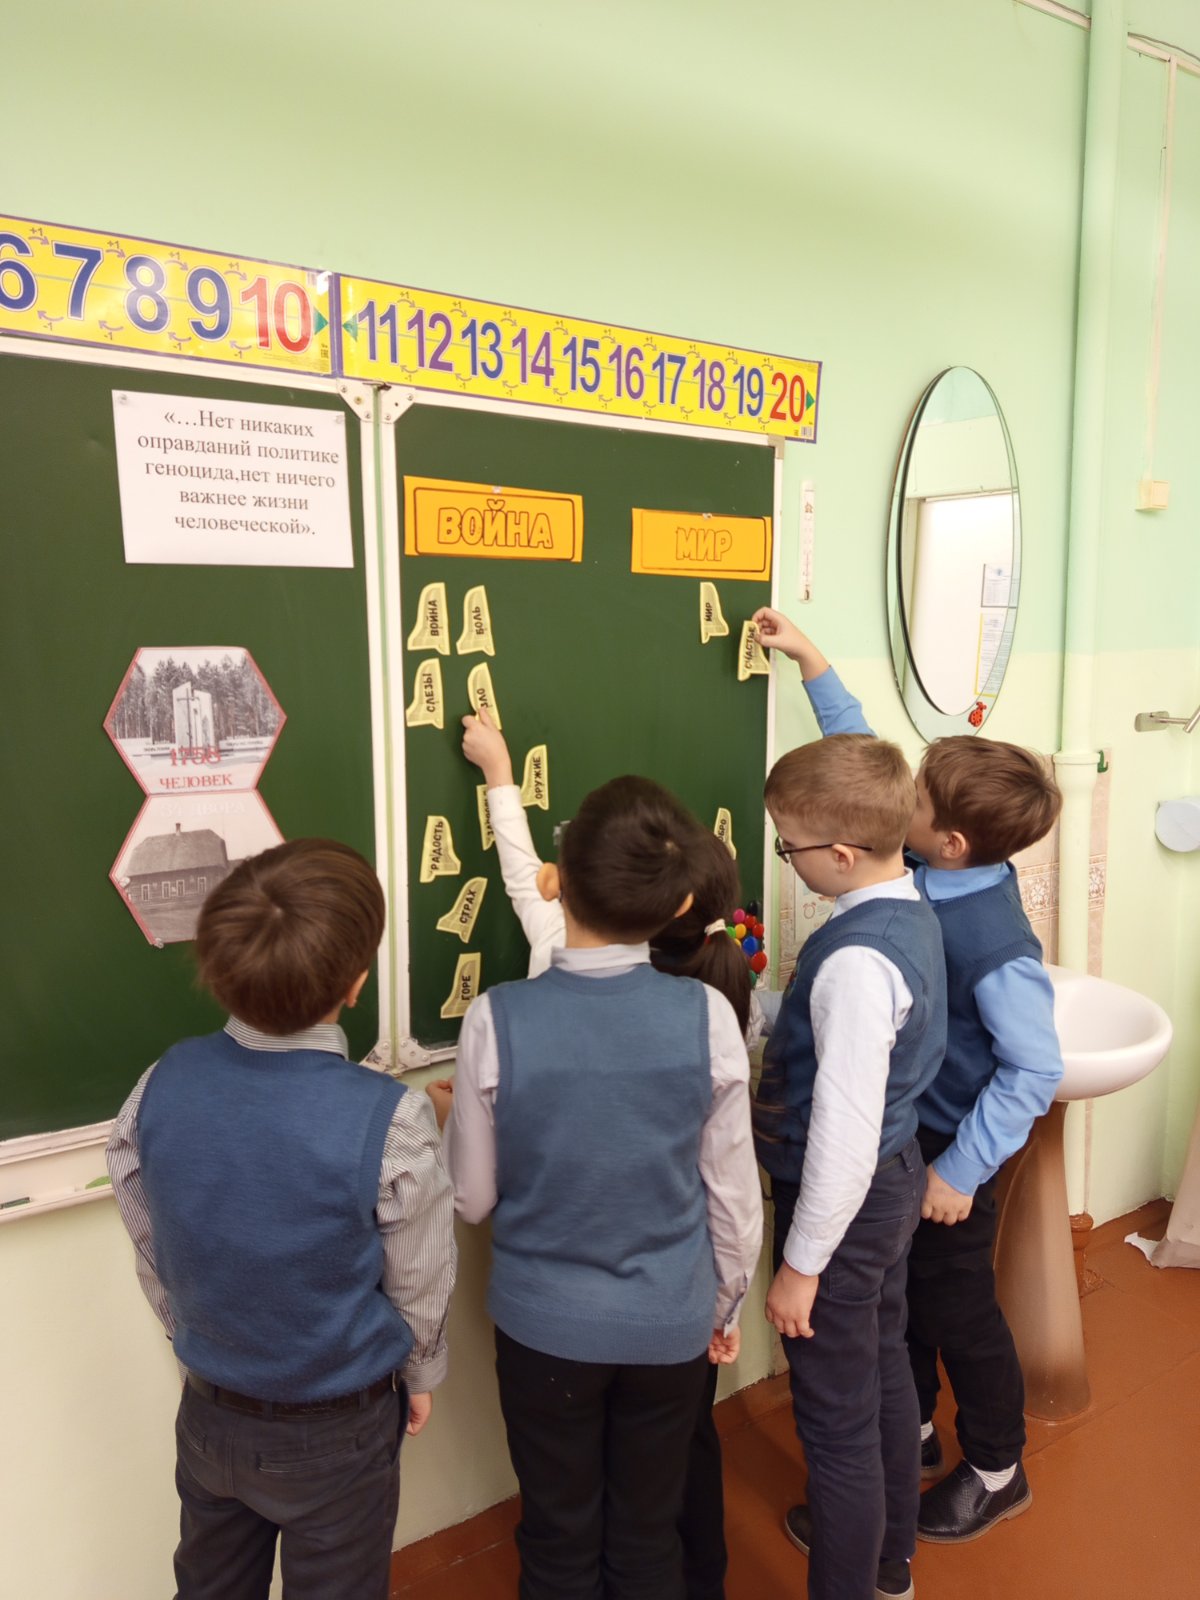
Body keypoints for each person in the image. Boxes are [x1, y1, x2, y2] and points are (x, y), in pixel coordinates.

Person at [753, 608, 1064, 1546]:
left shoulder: (994, 939)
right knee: (901, 1309)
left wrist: (960, 1172)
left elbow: (1035, 1067)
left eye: (917, 801)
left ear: (949, 842)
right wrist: (812, 662)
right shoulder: (922, 863)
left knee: (955, 1309)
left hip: (950, 1151)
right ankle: (911, 1436)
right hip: (898, 1135)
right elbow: (864, 778)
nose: (902, 803)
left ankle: (997, 1467)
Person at [437, 707, 758, 1600]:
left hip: (545, 1331)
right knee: (647, 1537)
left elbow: (471, 1198)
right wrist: (726, 1304)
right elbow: (732, 1196)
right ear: (678, 904)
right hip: (670, 1326)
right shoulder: (708, 1017)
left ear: (556, 882)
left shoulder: (498, 1017)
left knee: (558, 1537)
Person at [106, 838, 457, 1600]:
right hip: (338, 1431)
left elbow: (146, 1226)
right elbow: (420, 1278)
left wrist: (192, 1331)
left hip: (210, 1411)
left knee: (209, 1585)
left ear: (220, 965)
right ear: (357, 983)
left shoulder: (159, 1083)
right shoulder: (391, 1119)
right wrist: (421, 1372)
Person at [755, 733, 947, 1600]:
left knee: (835, 1421)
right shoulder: (903, 905)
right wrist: (767, 1008)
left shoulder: (857, 966)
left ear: (838, 855)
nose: (786, 857)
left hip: (845, 1202)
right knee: (881, 1363)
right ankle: (889, 1556)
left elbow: (841, 1134)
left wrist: (802, 1267)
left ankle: (856, 1579)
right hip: (893, 1177)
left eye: (787, 846)